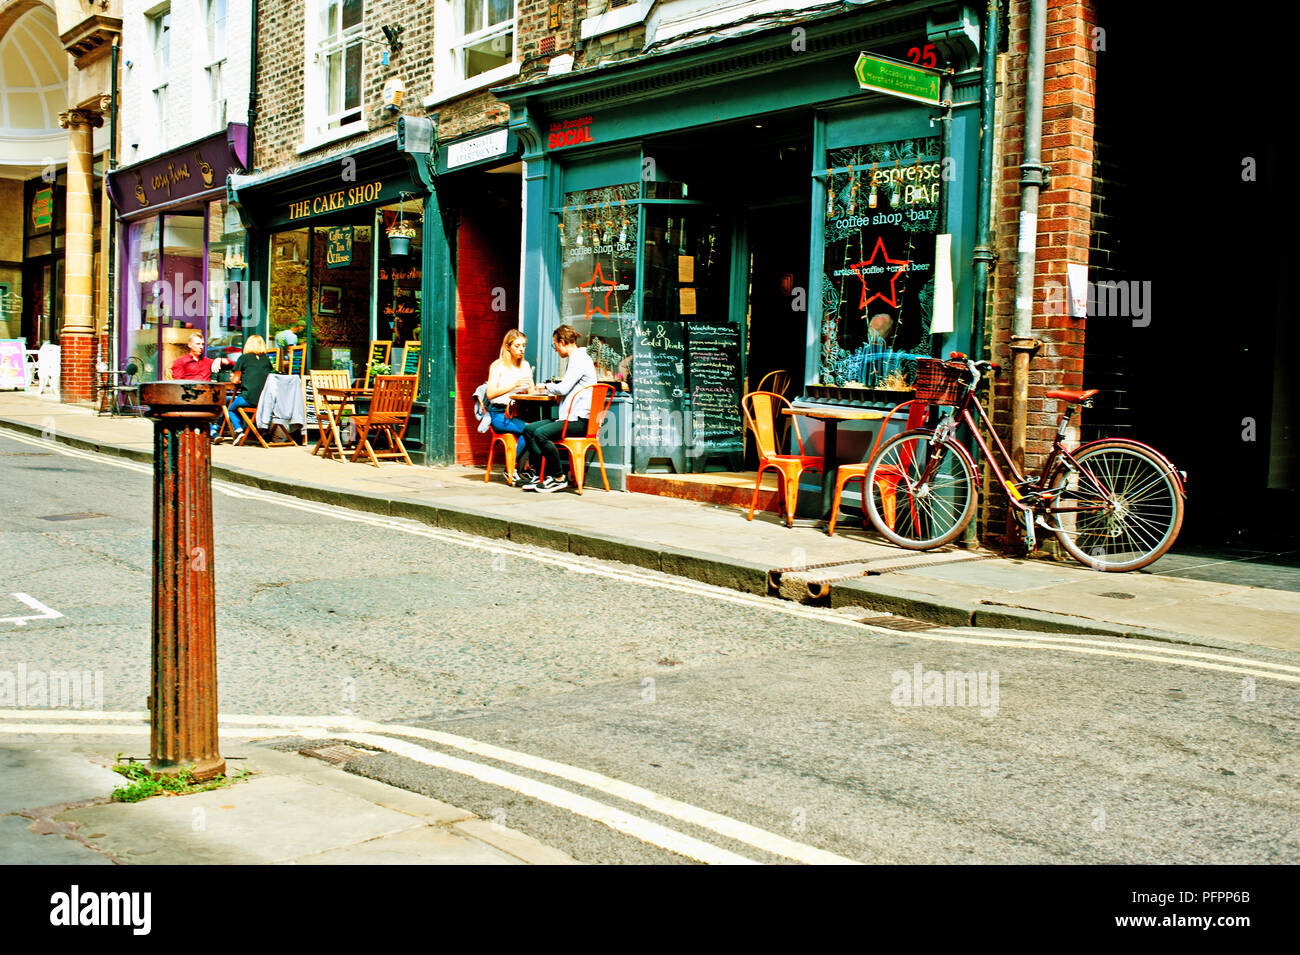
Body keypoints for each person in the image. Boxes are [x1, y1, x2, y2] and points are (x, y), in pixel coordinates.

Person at [521, 324, 597, 493]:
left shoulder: (579, 359)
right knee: (529, 430)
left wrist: (544, 386)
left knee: (541, 434)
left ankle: (558, 477)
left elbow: (563, 388)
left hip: (579, 421)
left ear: (562, 342)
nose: (555, 350)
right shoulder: (577, 358)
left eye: (555, 345)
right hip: (570, 418)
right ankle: (543, 476)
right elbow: (567, 388)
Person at [485, 329, 535, 483]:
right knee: (529, 430)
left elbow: (531, 390)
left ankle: (516, 468)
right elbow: (490, 394)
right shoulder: (498, 366)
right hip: (499, 415)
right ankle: (512, 468)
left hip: (518, 413)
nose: (521, 349)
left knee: (534, 429)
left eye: (523, 346)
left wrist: (532, 389)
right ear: (507, 347)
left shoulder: (525, 365)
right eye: (517, 346)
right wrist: (513, 385)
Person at [225, 334, 277, 436]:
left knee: (231, 408)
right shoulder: (266, 360)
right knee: (237, 404)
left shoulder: (243, 358)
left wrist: (233, 377)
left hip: (248, 398)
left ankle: (239, 430)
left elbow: (235, 380)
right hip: (264, 401)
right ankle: (252, 431)